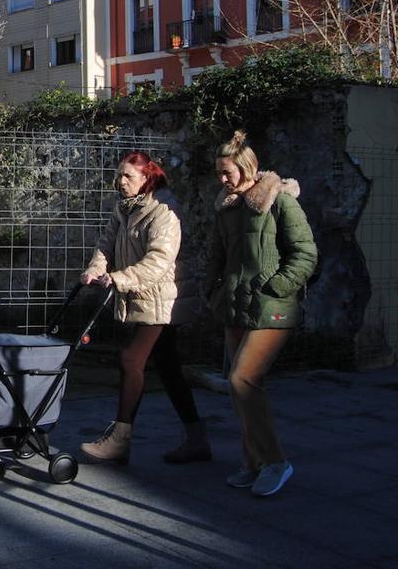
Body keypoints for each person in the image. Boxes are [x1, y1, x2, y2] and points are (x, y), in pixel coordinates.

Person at [78, 151, 209, 465]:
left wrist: (119, 278)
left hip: (161, 298)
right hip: (142, 294)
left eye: (128, 177)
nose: (121, 182)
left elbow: (159, 261)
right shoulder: (124, 209)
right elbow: (106, 243)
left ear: (147, 178)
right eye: (120, 175)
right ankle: (197, 439)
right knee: (167, 367)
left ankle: (119, 440)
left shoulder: (163, 211)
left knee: (130, 358)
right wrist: (95, 269)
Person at [208, 130, 317, 497]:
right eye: (219, 173)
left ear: (246, 167)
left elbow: (305, 253)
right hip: (236, 308)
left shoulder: (279, 201)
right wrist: (214, 292)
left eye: (228, 173)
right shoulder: (226, 208)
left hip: (272, 307)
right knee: (242, 389)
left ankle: (275, 462)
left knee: (242, 379)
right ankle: (252, 463)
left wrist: (276, 289)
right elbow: (216, 258)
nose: (223, 180)